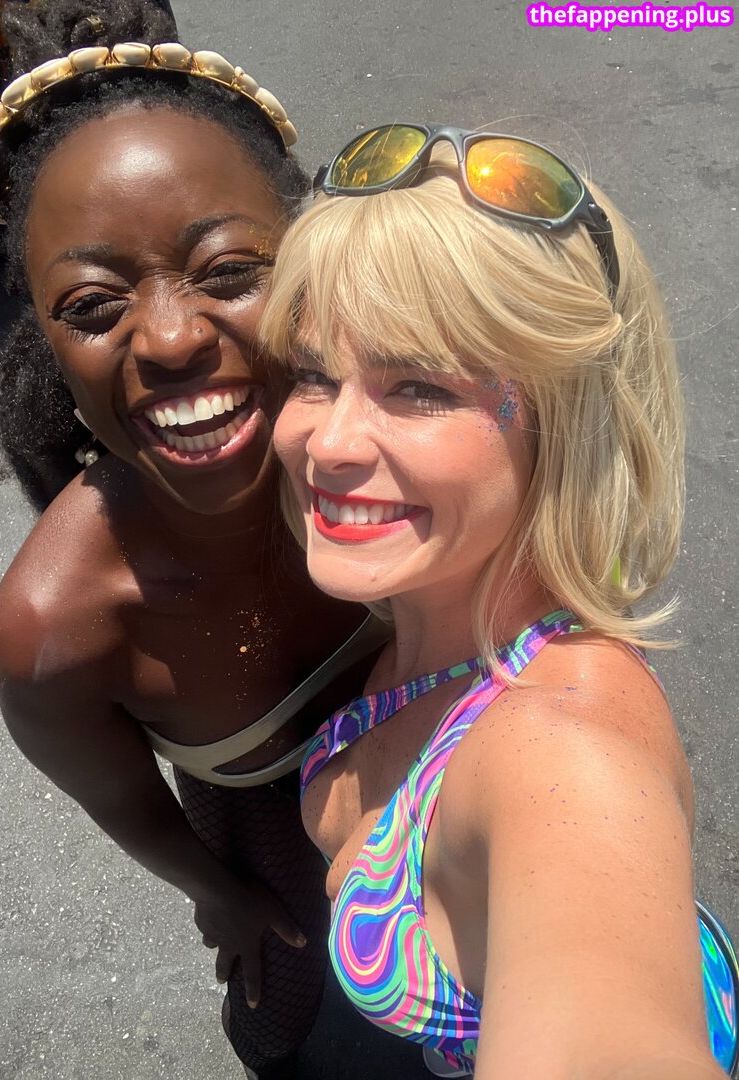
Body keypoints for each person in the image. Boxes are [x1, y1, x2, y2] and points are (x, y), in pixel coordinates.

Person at [260, 125, 739, 1078]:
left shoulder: (566, 761)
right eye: (314, 374)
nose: (329, 442)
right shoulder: (428, 600)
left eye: (417, 387)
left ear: (562, 425)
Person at [0, 5, 387, 1077]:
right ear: (46, 339)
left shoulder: (408, 446)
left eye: (227, 270)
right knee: (300, 1034)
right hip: (275, 870)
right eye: (93, 303)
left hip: (460, 806)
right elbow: (127, 807)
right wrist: (225, 896)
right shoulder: (57, 629)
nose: (168, 337)